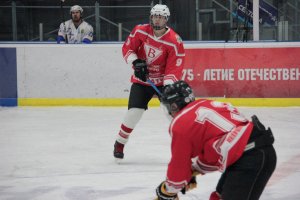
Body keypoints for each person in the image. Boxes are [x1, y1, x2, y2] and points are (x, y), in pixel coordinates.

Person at [155, 80, 277, 200]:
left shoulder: (180, 124)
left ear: (174, 105)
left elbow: (179, 165)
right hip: (255, 153)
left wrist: (168, 190)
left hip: (249, 159)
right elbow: (218, 151)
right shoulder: (206, 104)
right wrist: (192, 171)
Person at [113, 4, 185, 161]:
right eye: (154, 16)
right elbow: (128, 48)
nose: (157, 19)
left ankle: (184, 148)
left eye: (160, 17)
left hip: (162, 83)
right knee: (134, 113)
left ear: (166, 19)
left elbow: (174, 68)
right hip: (142, 80)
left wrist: (167, 87)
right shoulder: (140, 30)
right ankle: (120, 142)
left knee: (172, 115)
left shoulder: (174, 41)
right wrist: (136, 62)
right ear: (151, 17)